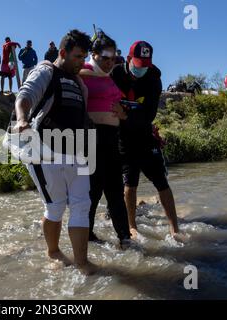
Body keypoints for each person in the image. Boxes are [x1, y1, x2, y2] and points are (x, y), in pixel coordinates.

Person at [13, 30, 96, 275]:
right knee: (56, 207)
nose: (83, 62)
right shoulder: (46, 71)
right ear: (63, 53)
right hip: (43, 151)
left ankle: (82, 263)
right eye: (78, 57)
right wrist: (21, 119)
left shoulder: (81, 84)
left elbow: (81, 117)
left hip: (76, 152)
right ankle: (53, 251)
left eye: (85, 57)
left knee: (82, 205)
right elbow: (24, 96)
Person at [111, 41, 182, 240]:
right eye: (138, 64)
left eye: (145, 65)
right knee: (130, 181)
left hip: (144, 134)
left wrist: (125, 116)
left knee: (161, 181)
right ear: (128, 59)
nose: (141, 69)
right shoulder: (115, 74)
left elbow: (149, 115)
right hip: (123, 137)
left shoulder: (153, 79)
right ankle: (132, 225)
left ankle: (174, 228)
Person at [79, 29, 131, 246]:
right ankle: (87, 238)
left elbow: (122, 108)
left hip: (112, 140)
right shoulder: (82, 73)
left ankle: (125, 239)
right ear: (94, 54)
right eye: (105, 58)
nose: (110, 62)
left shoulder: (110, 79)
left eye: (113, 58)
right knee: (91, 193)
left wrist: (123, 113)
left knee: (116, 193)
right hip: (89, 140)